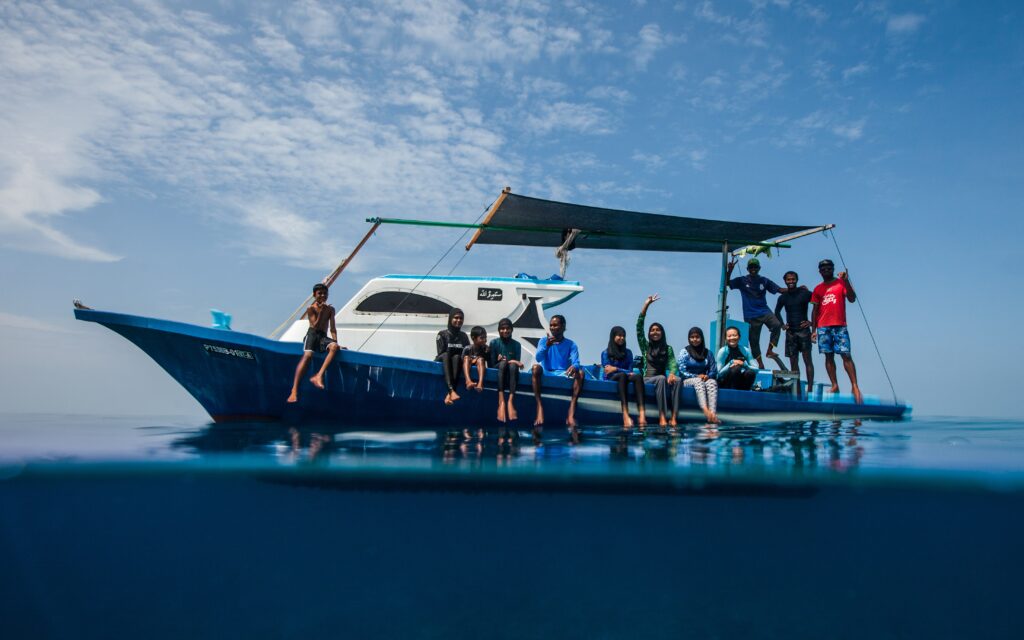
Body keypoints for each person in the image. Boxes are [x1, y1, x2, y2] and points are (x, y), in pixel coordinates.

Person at [811, 259, 863, 403]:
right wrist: (813, 330)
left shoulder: (841, 283)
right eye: (823, 268)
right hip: (823, 326)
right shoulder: (817, 289)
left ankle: (855, 386)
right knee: (828, 356)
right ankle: (835, 385)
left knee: (846, 355)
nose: (826, 270)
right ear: (820, 271)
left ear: (833, 269)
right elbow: (814, 311)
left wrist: (846, 281)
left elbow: (852, 299)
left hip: (839, 325)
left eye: (829, 268)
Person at [287, 283, 342, 403]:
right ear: (314, 295)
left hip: (322, 336)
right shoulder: (310, 309)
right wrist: (321, 312)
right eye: (320, 293)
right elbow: (315, 326)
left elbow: (332, 328)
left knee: (334, 347)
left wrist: (335, 342)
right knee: (308, 356)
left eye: (325, 293)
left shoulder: (331, 309)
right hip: (312, 334)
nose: (323, 295)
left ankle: (318, 376)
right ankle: (294, 390)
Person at [531, 314, 583, 438]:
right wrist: (547, 346)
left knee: (580, 372)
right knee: (535, 368)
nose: (553, 328)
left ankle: (571, 412)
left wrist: (574, 367)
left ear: (563, 326)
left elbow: (576, 362)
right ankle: (539, 407)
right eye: (551, 325)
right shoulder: (544, 341)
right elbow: (538, 358)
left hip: (562, 373)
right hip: (546, 371)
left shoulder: (571, 344)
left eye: (555, 325)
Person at [726, 257, 783, 369]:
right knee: (754, 341)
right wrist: (730, 270)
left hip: (764, 311)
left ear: (759, 268)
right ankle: (760, 364)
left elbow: (779, 290)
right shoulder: (742, 280)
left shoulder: (764, 280)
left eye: (755, 267)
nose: (753, 269)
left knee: (777, 325)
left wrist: (797, 289)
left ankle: (770, 350)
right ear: (747, 269)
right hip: (750, 315)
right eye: (751, 267)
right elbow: (728, 283)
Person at [636, 295, 681, 427]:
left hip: (661, 379)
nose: (655, 332)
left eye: (658, 330)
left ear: (662, 333)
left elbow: (673, 363)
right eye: (652, 330)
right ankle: (662, 417)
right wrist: (646, 305)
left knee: (677, 380)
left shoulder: (668, 349)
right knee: (661, 378)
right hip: (647, 379)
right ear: (649, 334)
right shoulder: (645, 346)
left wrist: (672, 373)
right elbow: (639, 328)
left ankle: (674, 417)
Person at [774, 270, 815, 395]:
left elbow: (817, 304)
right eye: (788, 280)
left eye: (793, 279)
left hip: (804, 331)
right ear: (785, 281)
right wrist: (782, 325)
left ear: (797, 280)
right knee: (793, 362)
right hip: (791, 332)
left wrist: (811, 322)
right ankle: (796, 390)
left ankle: (810, 389)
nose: (791, 282)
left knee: (807, 360)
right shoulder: (782, 297)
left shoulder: (805, 293)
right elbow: (777, 312)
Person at [601, 326, 646, 429]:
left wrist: (616, 368)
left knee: (638, 376)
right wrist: (619, 371)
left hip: (622, 375)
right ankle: (625, 415)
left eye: (623, 336)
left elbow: (630, 371)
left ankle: (642, 415)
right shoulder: (605, 353)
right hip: (611, 379)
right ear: (613, 337)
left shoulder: (628, 353)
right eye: (619, 335)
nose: (621, 338)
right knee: (622, 376)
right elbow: (608, 371)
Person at [678, 327, 720, 424]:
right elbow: (681, 371)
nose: (695, 339)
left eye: (697, 337)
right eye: (692, 337)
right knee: (698, 381)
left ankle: (712, 415)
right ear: (689, 338)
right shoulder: (684, 352)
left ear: (701, 338)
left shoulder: (708, 353)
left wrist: (708, 376)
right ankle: (705, 410)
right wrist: (696, 376)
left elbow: (713, 370)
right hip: (687, 380)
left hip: (704, 379)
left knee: (712, 382)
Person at [488, 318, 523, 423]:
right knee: (504, 364)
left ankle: (510, 401)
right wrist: (508, 361)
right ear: (499, 330)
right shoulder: (494, 343)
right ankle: (501, 401)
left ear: (512, 330)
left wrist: (509, 361)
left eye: (508, 328)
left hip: (511, 370)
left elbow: (516, 364)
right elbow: (491, 365)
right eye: (502, 328)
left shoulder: (517, 345)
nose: (505, 331)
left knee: (512, 366)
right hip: (498, 368)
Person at [436, 308, 470, 405]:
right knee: (447, 355)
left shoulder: (463, 336)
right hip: (442, 359)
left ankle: (450, 394)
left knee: (456, 357)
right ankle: (451, 391)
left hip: (456, 363)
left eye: (461, 318)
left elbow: (467, 353)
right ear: (450, 318)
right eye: (456, 318)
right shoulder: (442, 334)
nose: (459, 320)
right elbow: (441, 353)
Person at [716, 326, 758, 391]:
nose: (732, 338)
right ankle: (732, 394)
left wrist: (744, 365)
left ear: (739, 337)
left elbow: (756, 369)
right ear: (726, 338)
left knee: (750, 373)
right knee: (736, 369)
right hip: (726, 384)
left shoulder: (745, 350)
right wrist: (731, 363)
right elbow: (719, 374)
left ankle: (745, 394)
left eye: (734, 335)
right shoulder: (723, 351)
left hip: (741, 384)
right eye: (729, 336)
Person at [462, 326, 489, 393]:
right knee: (466, 358)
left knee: (480, 359)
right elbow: (462, 361)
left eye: (485, 337)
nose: (484, 340)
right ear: (473, 338)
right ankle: (468, 381)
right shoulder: (467, 348)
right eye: (482, 338)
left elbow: (488, 362)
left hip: (480, 365)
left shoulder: (486, 349)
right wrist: (472, 359)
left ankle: (480, 384)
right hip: (469, 365)